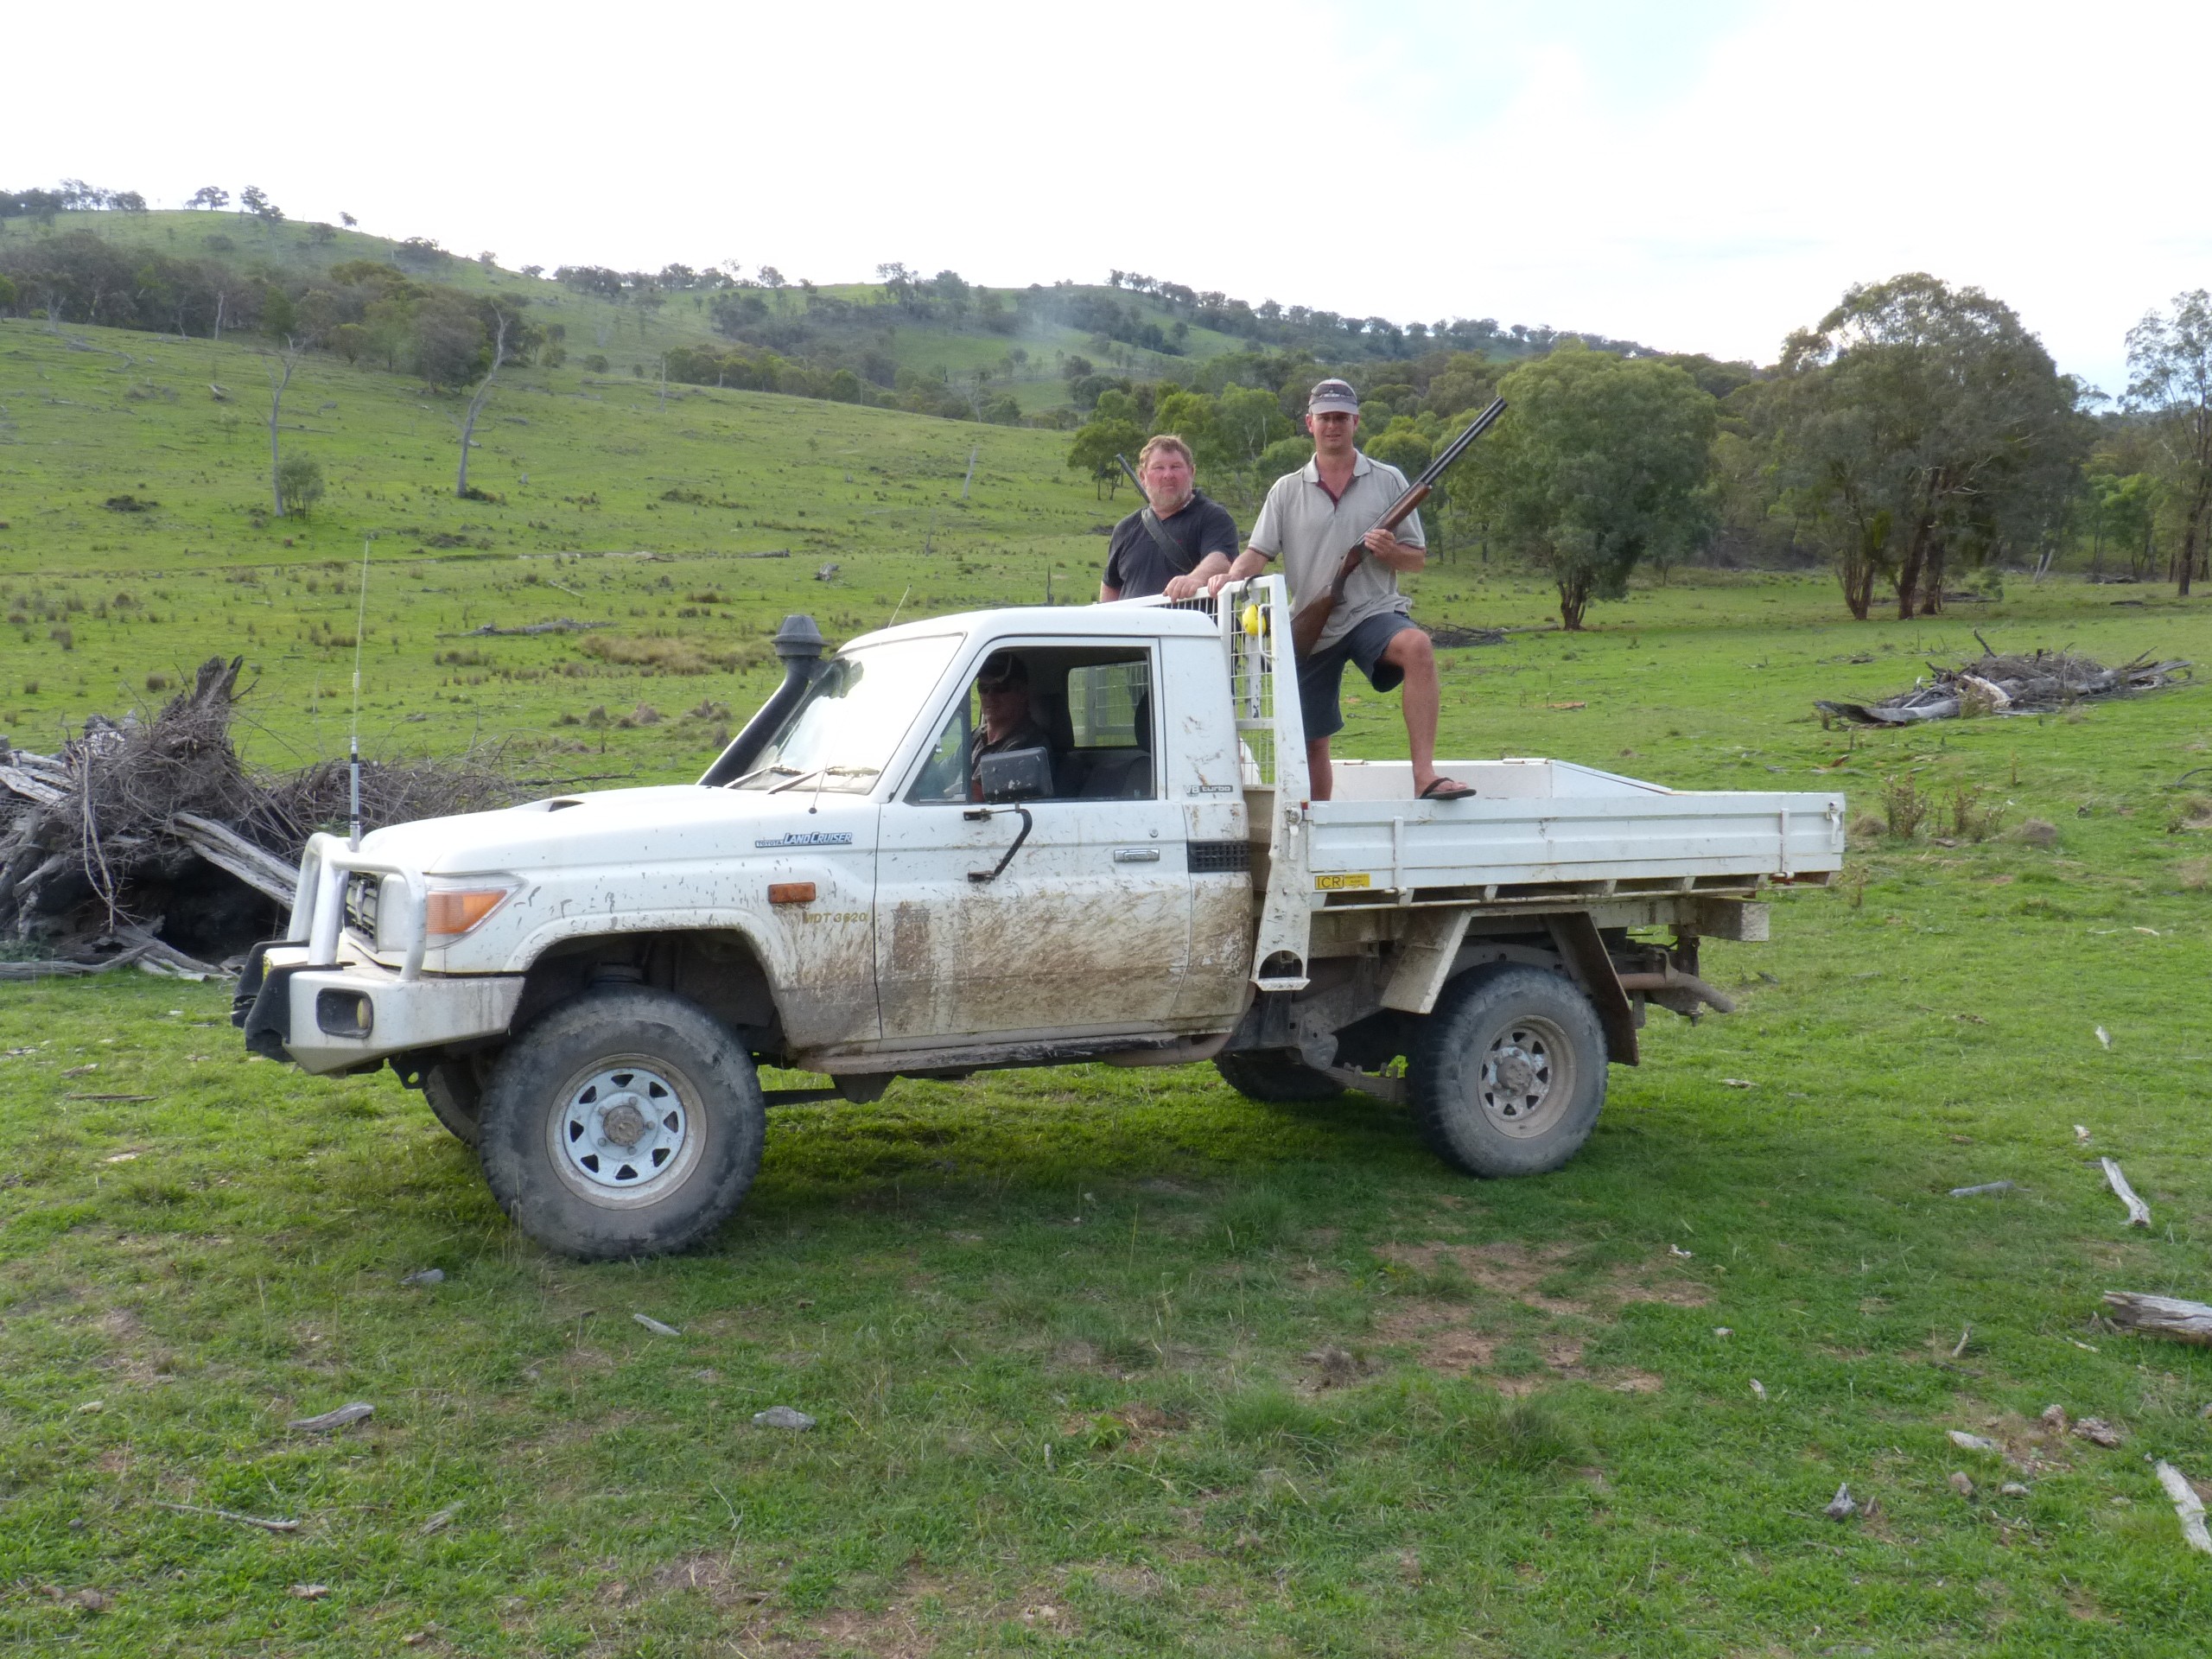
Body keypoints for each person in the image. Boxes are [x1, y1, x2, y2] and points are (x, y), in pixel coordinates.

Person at [1211, 378, 1472, 804]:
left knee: (1418, 646)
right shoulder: (1286, 489)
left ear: (1356, 422)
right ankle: (1317, 826)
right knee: (1313, 741)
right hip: (1314, 620)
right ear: (1309, 423)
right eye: (1326, 418)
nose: (1333, 425)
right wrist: (1231, 577)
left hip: (1373, 611)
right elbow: (1257, 553)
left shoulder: (1389, 480)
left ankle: (1425, 777)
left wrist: (1389, 552)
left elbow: (1417, 559)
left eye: (1342, 418)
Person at [1098, 435, 1241, 601]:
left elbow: (1221, 560)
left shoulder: (1213, 517)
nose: (1168, 475)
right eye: (1159, 468)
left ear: (1191, 472)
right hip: (1134, 627)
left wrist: (1194, 579)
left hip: (1193, 626)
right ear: (1143, 477)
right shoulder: (1125, 528)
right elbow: (1111, 586)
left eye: (1176, 467)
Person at [969, 650, 1054, 800]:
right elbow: (942, 771)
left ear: (1021, 692)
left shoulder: (1029, 746)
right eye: (983, 688)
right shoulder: (976, 736)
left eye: (1000, 688)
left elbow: (974, 797)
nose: (989, 696)